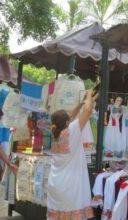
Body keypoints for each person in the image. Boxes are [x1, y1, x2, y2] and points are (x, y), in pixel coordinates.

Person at [47, 90, 97, 220]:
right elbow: (87, 112)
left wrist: (81, 104)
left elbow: (70, 116)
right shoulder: (71, 131)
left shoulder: (55, 132)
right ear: (68, 122)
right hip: (70, 185)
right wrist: (90, 95)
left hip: (56, 183)